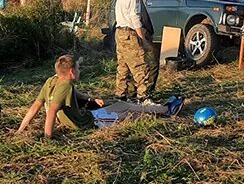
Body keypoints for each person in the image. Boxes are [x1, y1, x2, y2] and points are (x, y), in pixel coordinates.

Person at [17, 55, 184, 138]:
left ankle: (162, 109)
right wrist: (48, 138)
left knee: (122, 105)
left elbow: (35, 107)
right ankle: (166, 111)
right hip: (92, 122)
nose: (80, 71)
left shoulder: (52, 81)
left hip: (88, 116)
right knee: (129, 114)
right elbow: (52, 111)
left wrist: (20, 129)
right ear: (72, 72)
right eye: (78, 68)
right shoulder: (66, 85)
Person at [114, 0, 158, 103]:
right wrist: (141, 37)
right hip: (129, 33)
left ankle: (120, 95)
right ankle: (143, 97)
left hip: (119, 33)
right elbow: (134, 17)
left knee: (123, 66)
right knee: (140, 65)